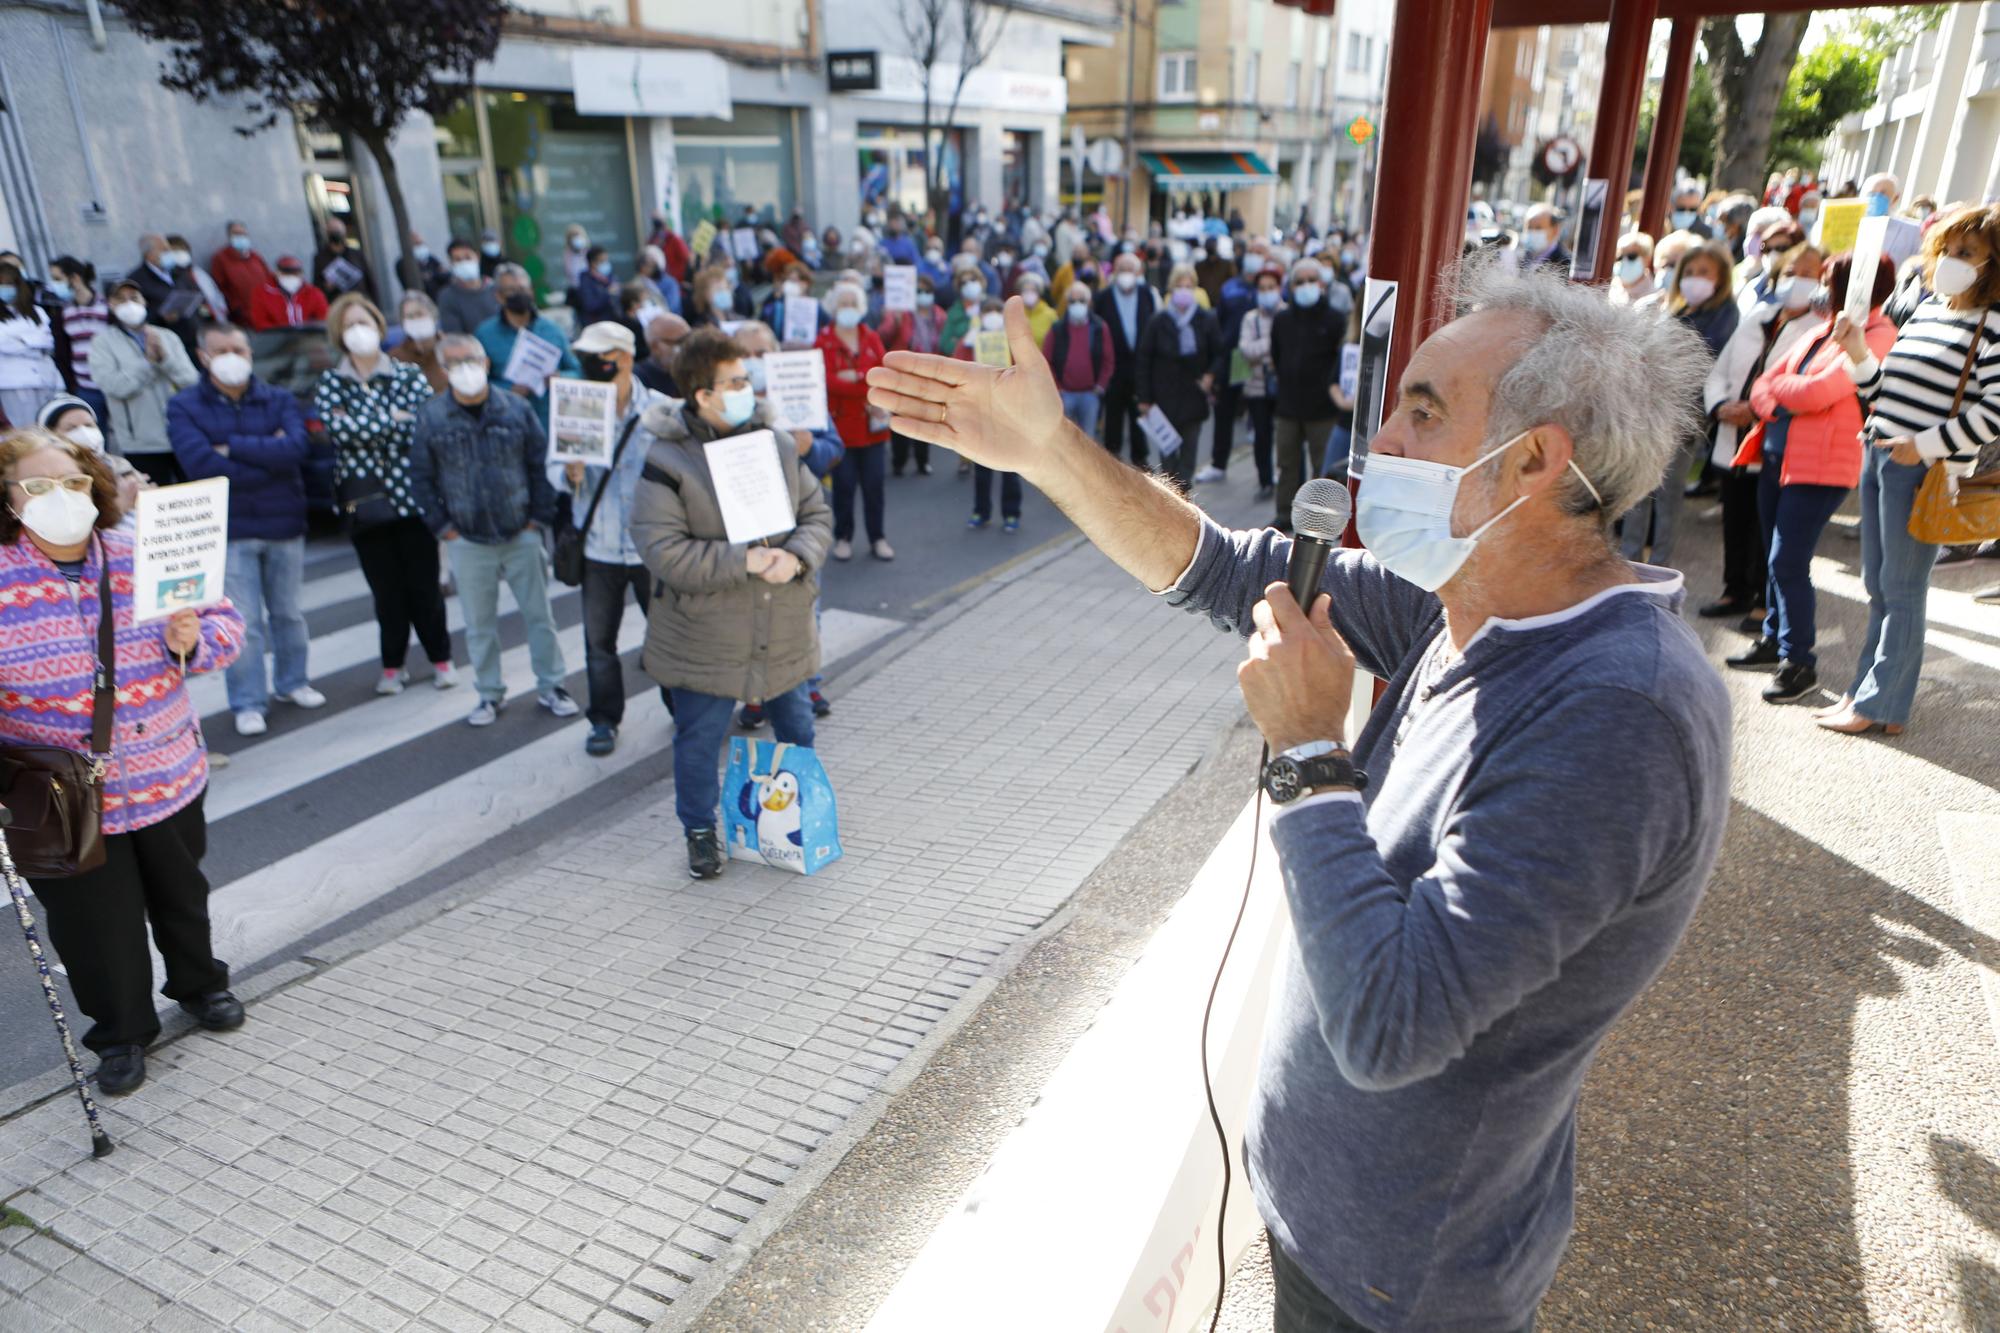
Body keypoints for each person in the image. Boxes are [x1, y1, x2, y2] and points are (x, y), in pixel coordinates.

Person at [862, 265, 1728, 1333]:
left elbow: (1390, 1025)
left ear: (1535, 462)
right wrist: (1048, 449)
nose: (1377, 450)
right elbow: (1223, 566)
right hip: (1336, 1221)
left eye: (1421, 411)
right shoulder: (1460, 609)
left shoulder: (1616, 713)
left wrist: (1311, 753)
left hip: (1400, 1277)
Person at [0, 427, 248, 1096]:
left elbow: (228, 625)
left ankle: (201, 985)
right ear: (11, 496)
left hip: (163, 770)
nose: (61, 497)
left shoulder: (143, 548)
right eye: (39, 485)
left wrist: (194, 640)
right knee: (92, 928)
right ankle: (121, 1033)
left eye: (74, 482)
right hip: (60, 797)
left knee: (181, 896)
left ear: (96, 486)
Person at [629, 329, 832, 879]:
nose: (748, 388)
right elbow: (662, 550)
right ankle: (699, 830)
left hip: (781, 620)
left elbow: (817, 514)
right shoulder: (667, 461)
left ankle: (800, 817)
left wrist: (796, 558)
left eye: (746, 378)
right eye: (736, 381)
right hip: (706, 635)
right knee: (699, 740)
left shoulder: (777, 443)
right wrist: (742, 559)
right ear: (703, 395)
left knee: (798, 727)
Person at [1825, 204, 2000, 735]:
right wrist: (1857, 352)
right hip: (1879, 453)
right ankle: (1866, 694)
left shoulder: (1993, 326)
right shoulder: (1928, 310)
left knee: (1901, 591)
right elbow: (1883, 393)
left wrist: (1924, 446)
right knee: (1880, 586)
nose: (1951, 259)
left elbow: (1994, 413)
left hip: (1923, 473)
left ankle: (1883, 706)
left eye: (1966, 252)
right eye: (1947, 248)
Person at [1724, 253, 1897, 706]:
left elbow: (1820, 391)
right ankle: (1774, 641)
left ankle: (1798, 660)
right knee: (1775, 557)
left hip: (1822, 464)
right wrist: (1782, 396)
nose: (1817, 289)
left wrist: (1780, 394)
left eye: (1825, 281)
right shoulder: (1820, 331)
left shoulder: (1877, 335)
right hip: (1778, 457)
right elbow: (1768, 382)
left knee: (1787, 560)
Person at [410, 335, 577, 727]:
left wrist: (538, 517)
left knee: (540, 616)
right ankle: (489, 693)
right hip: (467, 539)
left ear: (486, 363)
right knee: (479, 626)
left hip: (520, 531)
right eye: (453, 363)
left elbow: (540, 465)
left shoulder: (515, 408)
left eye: (470, 359)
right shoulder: (432, 417)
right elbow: (421, 477)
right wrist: (444, 528)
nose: (464, 368)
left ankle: (552, 685)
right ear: (443, 370)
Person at [165, 323, 321, 735]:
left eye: (239, 348)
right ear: (203, 356)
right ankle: (249, 701)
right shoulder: (184, 406)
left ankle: (293, 682)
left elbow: (295, 451)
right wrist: (265, 453)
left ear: (250, 354)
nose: (232, 355)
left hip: (283, 521)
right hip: (229, 529)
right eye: (221, 349)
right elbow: (199, 464)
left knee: (288, 614)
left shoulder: (278, 398)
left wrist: (232, 446)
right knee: (244, 622)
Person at [314, 293, 456, 697]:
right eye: (350, 325)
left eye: (366, 322)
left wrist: (365, 424)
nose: (359, 331)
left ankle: (441, 658)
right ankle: (392, 665)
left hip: (412, 498)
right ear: (340, 335)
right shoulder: (330, 382)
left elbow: (417, 428)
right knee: (386, 592)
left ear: (379, 327)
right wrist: (389, 421)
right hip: (364, 502)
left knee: (425, 588)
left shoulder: (408, 374)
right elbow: (337, 432)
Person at [546, 322, 665, 756]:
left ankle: (680, 709)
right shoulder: (575, 403)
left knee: (667, 637)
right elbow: (552, 467)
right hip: (597, 546)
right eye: (587, 354)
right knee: (599, 644)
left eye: (600, 355)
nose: (591, 363)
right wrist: (567, 473)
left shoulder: (662, 409)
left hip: (651, 545)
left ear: (626, 357)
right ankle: (603, 720)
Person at [1700, 243, 1826, 622]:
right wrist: (1721, 406)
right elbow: (1720, 370)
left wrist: (1754, 411)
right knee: (1734, 518)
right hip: (1731, 434)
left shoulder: (1820, 330)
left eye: (1809, 274)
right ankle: (1734, 590)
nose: (1797, 281)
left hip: (1771, 437)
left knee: (1764, 526)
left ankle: (1760, 600)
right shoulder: (1758, 316)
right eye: (1791, 272)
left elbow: (1800, 384)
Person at [733, 319, 844, 727]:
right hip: (749, 529)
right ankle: (757, 695)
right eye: (745, 354)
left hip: (798, 526)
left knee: (804, 610)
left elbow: (835, 450)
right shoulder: (730, 405)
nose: (754, 361)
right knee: (752, 615)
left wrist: (810, 444)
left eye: (761, 353)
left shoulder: (803, 397)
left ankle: (809, 683)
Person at [1622, 241, 1737, 566]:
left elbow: (1701, 362)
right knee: (1637, 491)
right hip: (1649, 411)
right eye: (1689, 271)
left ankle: (1659, 564)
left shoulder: (1725, 315)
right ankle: (1629, 558)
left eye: (1704, 272)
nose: (1694, 278)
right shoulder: (1674, 308)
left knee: (1669, 496)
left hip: (1684, 420)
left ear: (1720, 278)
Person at [90, 278, 200, 485]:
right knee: (156, 501)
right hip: (140, 442)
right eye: (121, 299)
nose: (129, 304)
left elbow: (191, 381)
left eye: (134, 298)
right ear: (111, 305)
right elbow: (114, 386)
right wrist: (147, 364)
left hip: (182, 434)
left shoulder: (167, 336)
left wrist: (164, 360)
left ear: (144, 302)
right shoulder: (102, 344)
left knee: (197, 494)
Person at [818, 282, 892, 560]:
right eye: (842, 302)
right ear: (834, 307)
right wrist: (862, 379)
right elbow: (827, 382)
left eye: (852, 302)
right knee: (844, 485)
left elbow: (880, 373)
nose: (847, 308)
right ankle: (844, 536)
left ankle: (878, 537)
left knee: (874, 485)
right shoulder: (823, 340)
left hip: (873, 426)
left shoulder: (870, 337)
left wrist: (856, 377)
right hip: (841, 429)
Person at [1269, 257, 1344, 530]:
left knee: (1321, 468)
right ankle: (1283, 513)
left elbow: (1339, 364)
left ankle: (1318, 519)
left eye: (1312, 280)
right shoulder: (1282, 319)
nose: (1306, 286)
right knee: (1286, 464)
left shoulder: (1335, 320)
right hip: (1287, 406)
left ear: (1322, 284)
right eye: (1299, 282)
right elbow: (1276, 355)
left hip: (1322, 409)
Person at [1134, 263, 1221, 489]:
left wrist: (1211, 375)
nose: (1184, 291)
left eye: (1188, 286)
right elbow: (1144, 359)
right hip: (1164, 399)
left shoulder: (1205, 320)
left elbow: (1219, 354)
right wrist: (1144, 397)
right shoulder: (1158, 322)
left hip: (1194, 396)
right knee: (1168, 457)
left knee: (1189, 456)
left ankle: (1184, 498)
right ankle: (1172, 499)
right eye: (1179, 286)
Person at [475, 265, 580, 427]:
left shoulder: (552, 329)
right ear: (499, 296)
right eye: (511, 290)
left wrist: (560, 378)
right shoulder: (484, 334)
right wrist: (508, 390)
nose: (519, 294)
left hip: (550, 421)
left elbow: (577, 371)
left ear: (531, 291)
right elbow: (478, 382)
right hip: (508, 423)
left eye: (523, 289)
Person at [1198, 249, 1263, 485]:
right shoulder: (1230, 288)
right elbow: (1220, 323)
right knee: (1224, 412)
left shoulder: (1267, 287)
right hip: (1233, 356)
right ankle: (1218, 463)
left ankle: (1265, 472)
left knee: (1260, 414)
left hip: (1258, 357)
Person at [1092, 253, 1160, 467]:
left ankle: (1141, 461)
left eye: (1130, 270)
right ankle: (1112, 461)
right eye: (1122, 269)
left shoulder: (1147, 294)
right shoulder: (1103, 298)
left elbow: (1154, 327)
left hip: (1140, 368)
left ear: (1138, 272)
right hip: (1113, 368)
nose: (1126, 275)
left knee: (1138, 415)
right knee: (1113, 418)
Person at [880, 275, 947, 476]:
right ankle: (899, 460)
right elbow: (883, 336)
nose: (923, 295)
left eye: (926, 291)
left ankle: (922, 460)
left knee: (925, 416)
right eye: (918, 291)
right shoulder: (902, 314)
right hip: (904, 372)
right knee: (900, 413)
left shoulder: (939, 315)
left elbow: (944, 344)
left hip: (930, 373)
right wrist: (894, 320)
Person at [1042, 280, 1114, 443]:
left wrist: (1101, 385)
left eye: (1081, 300)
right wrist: (1057, 388)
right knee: (1064, 441)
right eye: (1073, 301)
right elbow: (1046, 360)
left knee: (1088, 441)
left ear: (1089, 303)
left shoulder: (1099, 327)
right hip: (1064, 394)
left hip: (1090, 394)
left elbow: (1108, 360)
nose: (1077, 305)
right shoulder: (1057, 329)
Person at [1236, 265, 1284, 500]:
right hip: (1256, 387)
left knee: (1285, 436)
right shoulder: (1250, 319)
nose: (1267, 292)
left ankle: (1286, 481)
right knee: (1262, 435)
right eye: (1262, 288)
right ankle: (1265, 480)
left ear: (1279, 288)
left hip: (1283, 387)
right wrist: (1272, 343)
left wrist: (1264, 349)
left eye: (1271, 288)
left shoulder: (1287, 314)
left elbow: (1289, 351)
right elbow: (1246, 350)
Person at [52, 258, 112, 432]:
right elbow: (62, 353)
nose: (54, 284)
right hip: (85, 388)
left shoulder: (107, 306)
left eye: (57, 278)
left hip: (113, 384)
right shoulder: (63, 313)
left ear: (75, 278)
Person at [0, 260, 62, 429]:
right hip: (13, 384)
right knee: (27, 433)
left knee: (54, 429)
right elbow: (3, 343)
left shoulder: (37, 312)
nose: (5, 288)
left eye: (9, 284)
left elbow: (48, 341)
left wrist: (20, 342)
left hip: (47, 379)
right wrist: (32, 343)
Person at [209, 220, 275, 325]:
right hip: (242, 318)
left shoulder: (255, 257)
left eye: (243, 233)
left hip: (265, 313)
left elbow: (269, 280)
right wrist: (236, 308)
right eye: (236, 233)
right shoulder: (221, 258)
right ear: (229, 236)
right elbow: (218, 287)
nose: (240, 236)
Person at [248, 255, 329, 331]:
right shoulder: (262, 293)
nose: (291, 277)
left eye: (295, 273)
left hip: (306, 339)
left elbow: (323, 318)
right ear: (277, 273)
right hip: (274, 339)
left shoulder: (313, 293)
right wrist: (282, 333)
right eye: (286, 273)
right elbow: (260, 321)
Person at [438, 239, 500, 335]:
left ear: (477, 257)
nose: (464, 263)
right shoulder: (448, 297)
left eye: (468, 257)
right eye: (458, 260)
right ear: (451, 263)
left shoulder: (496, 288)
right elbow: (455, 336)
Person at [389, 291, 448, 393]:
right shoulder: (394, 358)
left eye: (419, 314)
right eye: (410, 316)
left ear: (433, 314)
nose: (416, 320)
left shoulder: (451, 347)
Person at [761, 262, 830, 347]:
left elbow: (828, 324)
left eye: (796, 281)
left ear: (806, 283)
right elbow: (763, 318)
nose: (792, 284)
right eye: (790, 280)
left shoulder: (814, 306)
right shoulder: (778, 305)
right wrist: (777, 297)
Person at [312, 218, 374, 302]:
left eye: (338, 230)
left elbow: (370, 281)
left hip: (359, 301)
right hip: (336, 304)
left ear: (344, 233)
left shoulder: (356, 254)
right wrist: (326, 286)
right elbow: (316, 287)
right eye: (332, 230)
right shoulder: (320, 258)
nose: (335, 233)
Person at [940, 263, 987, 359]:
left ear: (981, 281)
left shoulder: (992, 306)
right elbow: (945, 345)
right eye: (964, 283)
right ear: (959, 288)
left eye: (972, 280)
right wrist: (964, 341)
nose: (969, 284)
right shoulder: (954, 313)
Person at [637, 312, 690, 397]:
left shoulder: (693, 371)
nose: (687, 346)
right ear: (655, 346)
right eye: (680, 341)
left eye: (690, 339)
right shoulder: (638, 380)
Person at [567, 246, 621, 326]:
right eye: (602, 261)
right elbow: (590, 305)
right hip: (597, 324)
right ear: (593, 263)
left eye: (606, 260)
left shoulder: (609, 276)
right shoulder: (585, 280)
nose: (606, 263)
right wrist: (608, 294)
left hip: (614, 321)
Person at [1517, 203, 1572, 272]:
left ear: (1555, 230)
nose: (1533, 232)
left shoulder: (1566, 264)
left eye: (1538, 228)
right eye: (1529, 227)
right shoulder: (1522, 257)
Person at [1608, 232, 1658, 306]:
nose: (1624, 261)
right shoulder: (1611, 287)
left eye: (1631, 257)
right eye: (1620, 258)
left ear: (1647, 259)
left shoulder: (1654, 297)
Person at [1017, 274, 1058, 346]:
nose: (1029, 293)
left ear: (1039, 292)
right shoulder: (1015, 314)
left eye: (1033, 290)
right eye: (1025, 290)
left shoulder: (1050, 314)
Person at [408, 231, 449, 296]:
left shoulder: (430, 258)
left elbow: (444, 273)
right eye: (416, 244)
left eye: (421, 244)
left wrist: (432, 275)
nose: (420, 247)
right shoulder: (404, 263)